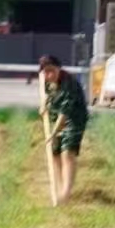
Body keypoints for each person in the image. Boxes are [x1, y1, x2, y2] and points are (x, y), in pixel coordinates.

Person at [40, 54, 89, 205]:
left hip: (74, 119)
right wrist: (44, 104)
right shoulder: (48, 83)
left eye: (52, 71)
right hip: (55, 118)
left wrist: (53, 133)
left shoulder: (70, 84)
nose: (49, 75)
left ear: (59, 69)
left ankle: (66, 194)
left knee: (67, 153)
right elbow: (48, 97)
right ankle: (58, 190)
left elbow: (65, 112)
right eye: (46, 72)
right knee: (54, 154)